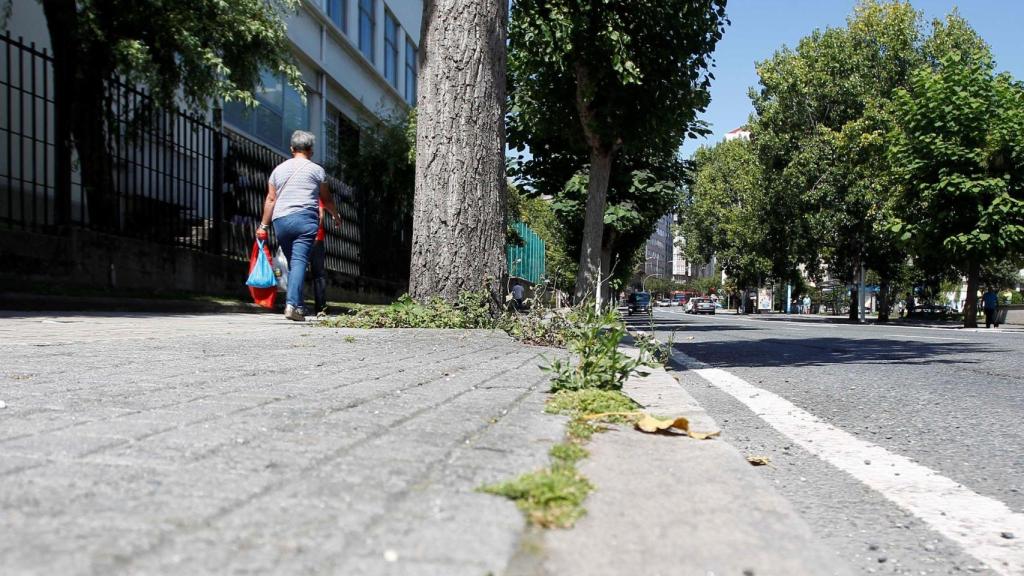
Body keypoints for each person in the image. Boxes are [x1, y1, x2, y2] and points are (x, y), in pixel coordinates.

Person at [257, 130, 339, 322]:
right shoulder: (317, 170)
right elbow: (326, 199)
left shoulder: (277, 171)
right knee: (299, 261)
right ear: (311, 150)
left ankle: (299, 306)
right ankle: (292, 305)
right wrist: (335, 215)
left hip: (281, 221)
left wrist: (263, 225)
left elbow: (270, 199)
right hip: (305, 219)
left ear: (292, 149)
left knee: (294, 262)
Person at [308, 198, 330, 316]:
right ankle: (321, 307)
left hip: (301, 238)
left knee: (297, 270)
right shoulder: (316, 197)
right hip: (316, 238)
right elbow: (320, 216)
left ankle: (295, 304)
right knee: (318, 274)